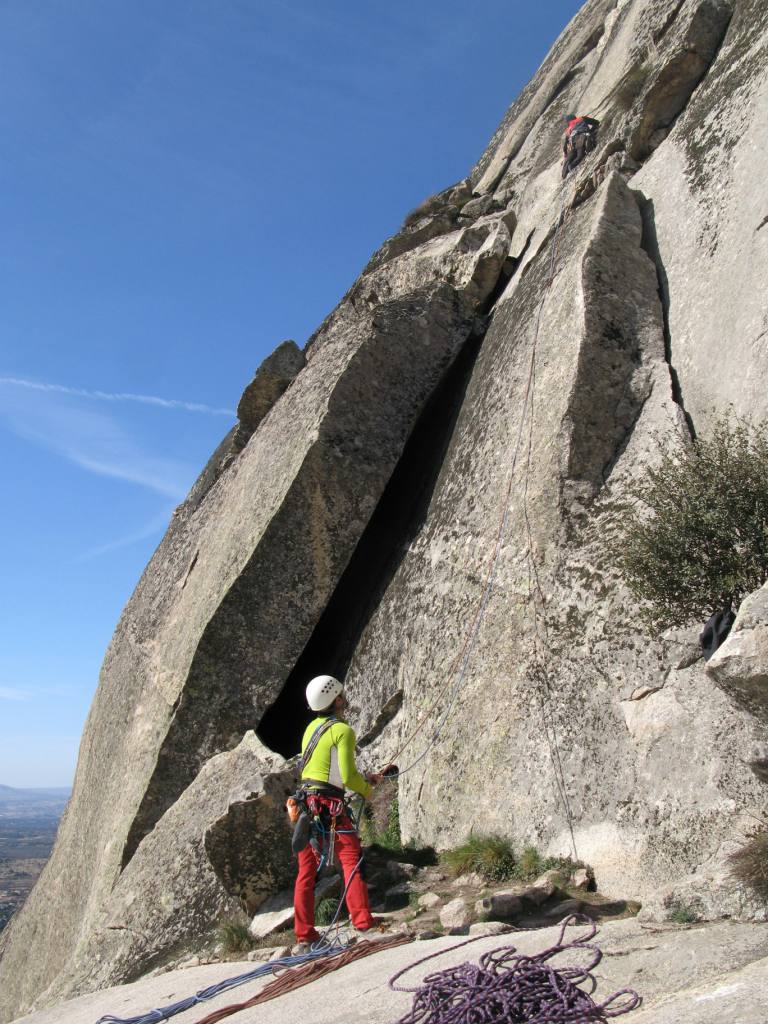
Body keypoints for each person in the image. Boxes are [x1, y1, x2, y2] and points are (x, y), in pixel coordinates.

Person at [292, 674, 383, 951]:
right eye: (341, 694)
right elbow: (347, 776)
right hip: (329, 806)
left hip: (306, 806)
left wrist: (363, 776)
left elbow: (325, 769)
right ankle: (363, 920)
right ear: (337, 699)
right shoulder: (342, 730)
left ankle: (304, 934)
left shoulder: (310, 729)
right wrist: (368, 790)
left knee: (306, 871)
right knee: (351, 858)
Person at [562, 113, 600, 178]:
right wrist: (591, 131)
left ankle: (567, 171)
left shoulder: (568, 130)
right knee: (580, 156)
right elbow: (596, 122)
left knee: (574, 156)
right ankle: (571, 166)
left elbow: (565, 145)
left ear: (568, 121)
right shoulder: (582, 119)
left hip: (572, 144)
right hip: (581, 138)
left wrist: (565, 155)